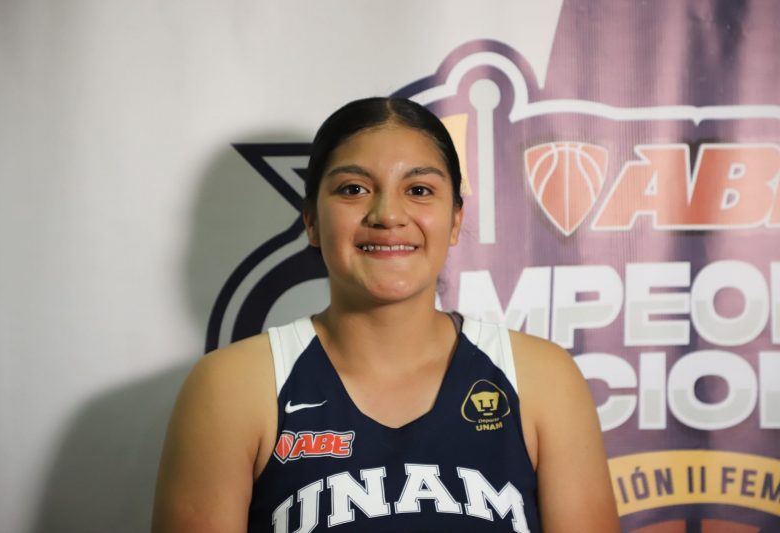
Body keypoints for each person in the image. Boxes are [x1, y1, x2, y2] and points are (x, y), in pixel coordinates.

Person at [152, 97, 620, 532]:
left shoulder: (541, 378)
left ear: (455, 220)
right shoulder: (232, 388)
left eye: (419, 189)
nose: (388, 214)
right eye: (354, 189)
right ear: (311, 221)